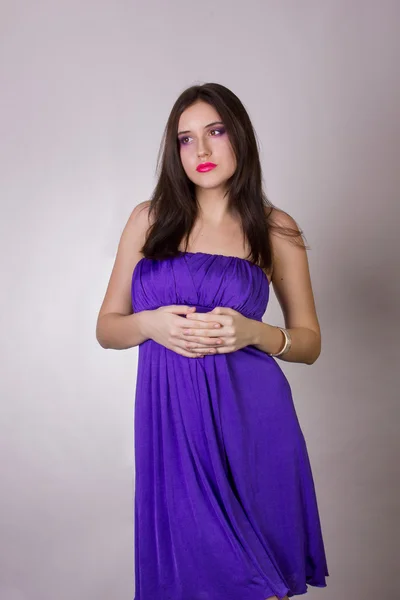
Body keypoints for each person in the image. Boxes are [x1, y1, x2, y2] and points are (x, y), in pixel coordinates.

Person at [96, 82, 329, 600]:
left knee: (258, 585)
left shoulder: (276, 229)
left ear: (239, 138)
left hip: (251, 423)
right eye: (185, 139)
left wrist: (255, 332)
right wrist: (150, 324)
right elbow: (107, 327)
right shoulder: (148, 219)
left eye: (215, 132)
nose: (200, 151)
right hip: (171, 425)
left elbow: (309, 342)